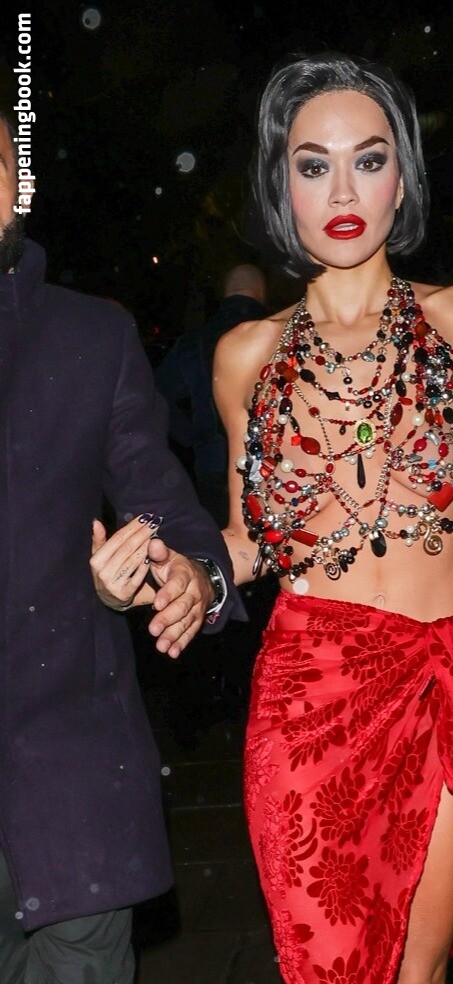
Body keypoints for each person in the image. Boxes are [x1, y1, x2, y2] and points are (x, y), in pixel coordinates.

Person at [211, 53, 453, 984]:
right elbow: (249, 539)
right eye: (312, 164)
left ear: (401, 178)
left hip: (434, 676)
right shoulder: (245, 356)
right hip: (304, 697)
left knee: (417, 972)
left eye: (368, 160)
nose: (342, 190)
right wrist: (176, 571)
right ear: (281, 185)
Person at [0, 108, 245, 983]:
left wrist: (189, 577)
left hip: (69, 775)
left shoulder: (87, 338)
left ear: (17, 186)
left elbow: (165, 509)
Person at [155, 263, 269, 529]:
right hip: (271, 465)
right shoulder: (280, 334)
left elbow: (157, 395)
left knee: (222, 542)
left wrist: (195, 437)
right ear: (261, 291)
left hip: (213, 465)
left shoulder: (193, 340)